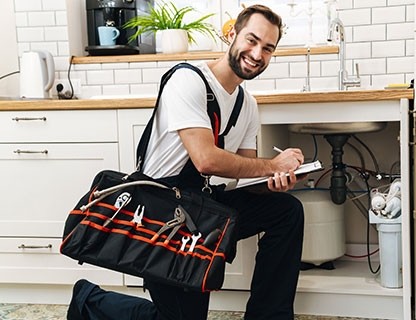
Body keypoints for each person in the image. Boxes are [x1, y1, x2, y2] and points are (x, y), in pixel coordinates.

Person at [67, 4, 305, 320]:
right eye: (251, 40)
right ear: (231, 34)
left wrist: (274, 183)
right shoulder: (188, 80)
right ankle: (89, 299)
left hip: (207, 206)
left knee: (286, 211)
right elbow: (206, 160)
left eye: (268, 48)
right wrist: (273, 164)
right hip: (163, 210)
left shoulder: (247, 104)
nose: (257, 53)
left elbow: (243, 176)